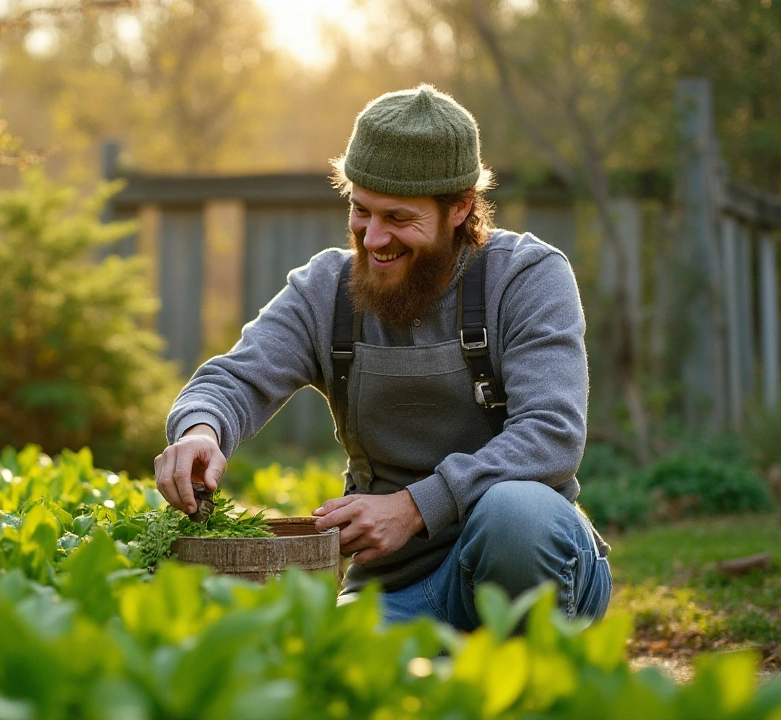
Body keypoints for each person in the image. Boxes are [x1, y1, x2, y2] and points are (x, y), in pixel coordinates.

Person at [152, 85, 611, 629]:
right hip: (394, 588)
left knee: (514, 513)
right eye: (360, 210)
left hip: (529, 561)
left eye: (398, 217)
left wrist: (416, 506)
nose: (372, 239)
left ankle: (539, 677)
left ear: (461, 206)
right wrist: (201, 430)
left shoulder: (525, 277)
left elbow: (552, 432)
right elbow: (234, 378)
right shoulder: (327, 288)